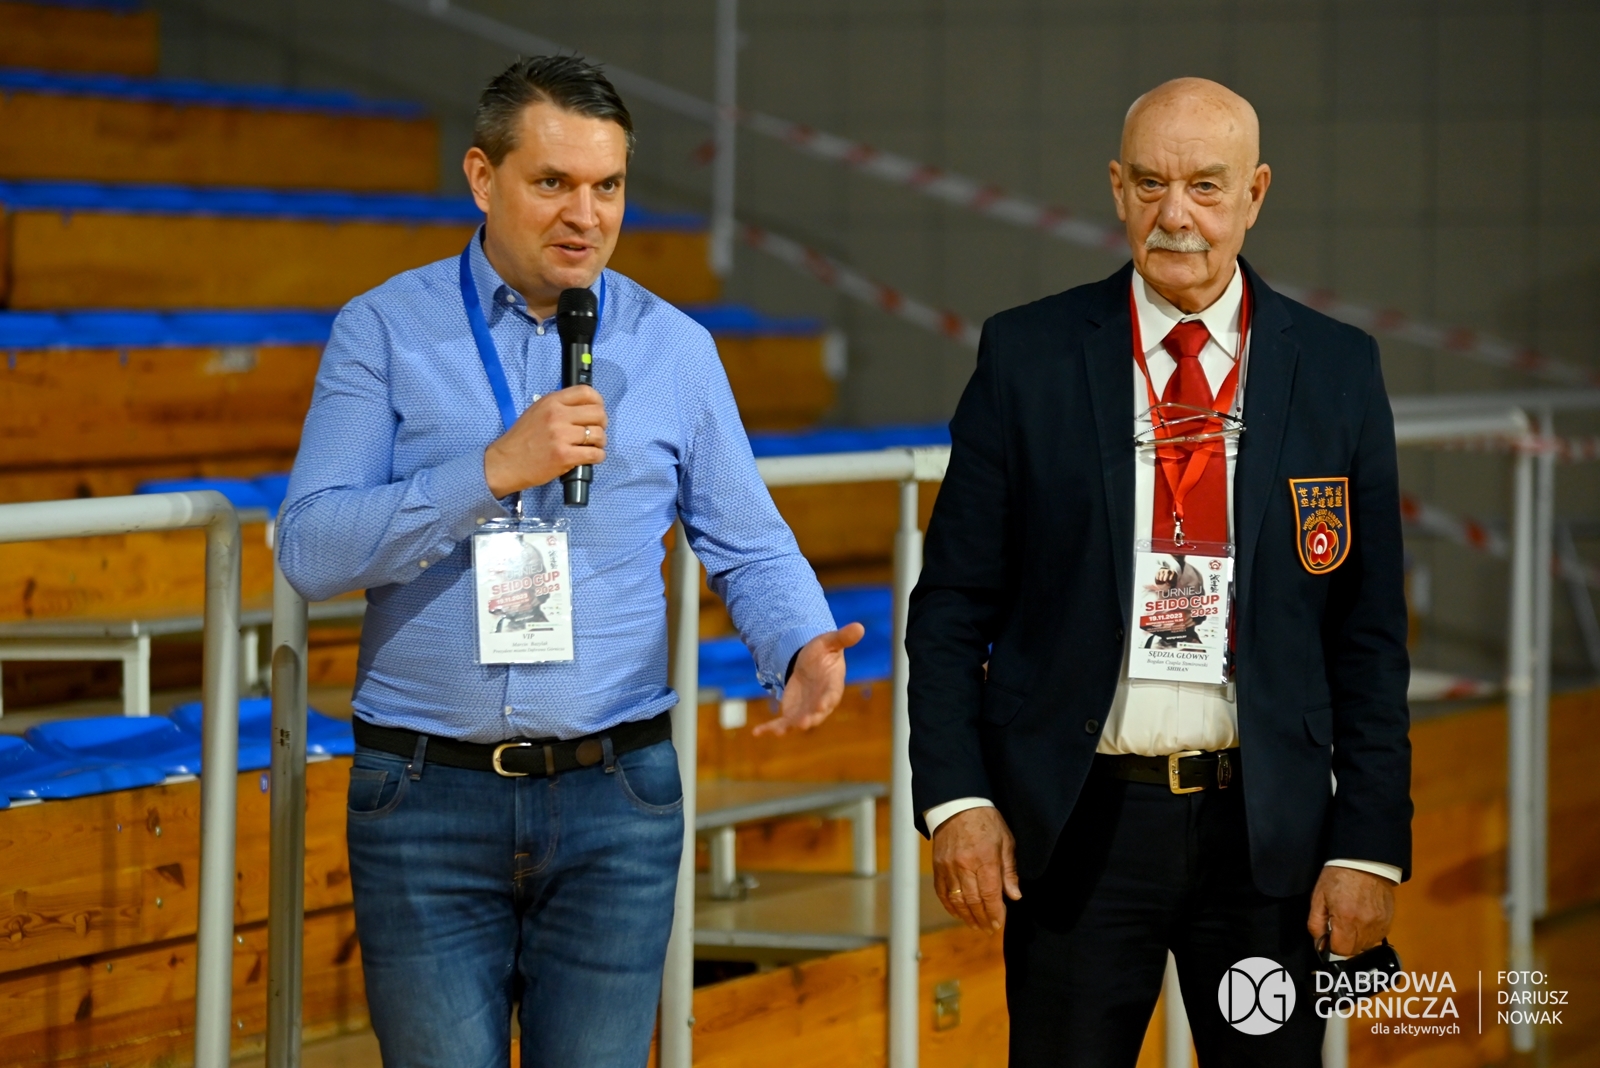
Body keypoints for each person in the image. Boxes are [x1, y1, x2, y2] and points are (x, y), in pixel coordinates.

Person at [277, 55, 863, 1068]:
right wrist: (489, 472)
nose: (585, 216)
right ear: (482, 176)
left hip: (615, 798)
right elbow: (310, 547)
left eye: (608, 186)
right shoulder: (385, 330)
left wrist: (799, 641)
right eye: (552, 182)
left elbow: (748, 539)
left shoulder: (675, 348)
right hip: (424, 794)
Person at [907, 77, 1411, 1066]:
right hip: (1076, 830)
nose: (1174, 214)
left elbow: (1368, 632)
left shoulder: (1337, 369)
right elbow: (952, 606)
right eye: (1149, 184)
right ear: (1115, 188)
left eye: (1205, 187)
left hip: (1268, 839)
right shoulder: (1028, 356)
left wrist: (1367, 844)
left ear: (1255, 193)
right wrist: (958, 801)